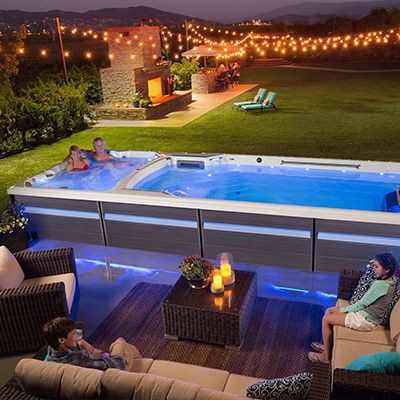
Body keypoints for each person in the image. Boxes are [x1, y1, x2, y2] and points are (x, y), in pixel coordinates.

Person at [308, 253, 398, 363]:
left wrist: (341, 310)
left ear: (387, 270)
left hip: (365, 320)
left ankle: (326, 357)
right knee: (328, 312)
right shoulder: (392, 281)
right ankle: (328, 346)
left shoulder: (380, 286)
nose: (373, 269)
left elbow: (361, 304)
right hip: (370, 317)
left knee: (326, 318)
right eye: (373, 266)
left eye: (376, 267)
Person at [43, 317, 134, 371]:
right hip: (116, 370)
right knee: (121, 342)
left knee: (82, 343)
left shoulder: (51, 352)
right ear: (62, 340)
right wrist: (109, 356)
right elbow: (116, 365)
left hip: (95, 362)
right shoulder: (80, 358)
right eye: (74, 333)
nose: (78, 334)